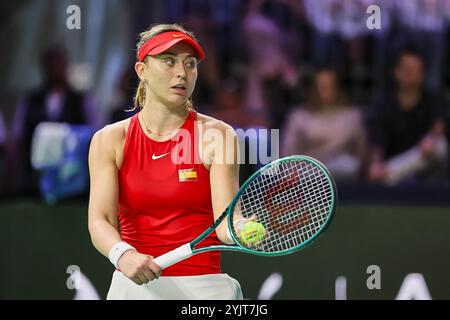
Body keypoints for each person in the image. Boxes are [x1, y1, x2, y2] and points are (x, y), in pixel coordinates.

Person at [88, 23, 255, 300]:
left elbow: (225, 222)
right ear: (142, 71)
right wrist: (123, 254)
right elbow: (100, 220)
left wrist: (241, 228)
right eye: (169, 61)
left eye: (190, 64)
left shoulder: (218, 136)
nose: (182, 73)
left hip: (205, 286)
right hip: (133, 286)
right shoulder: (109, 140)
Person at [367, 48, 448, 185]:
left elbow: (439, 124)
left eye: (415, 70)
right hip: (395, 162)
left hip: (427, 167)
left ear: (422, 74)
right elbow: (377, 141)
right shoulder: (384, 104)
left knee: (439, 146)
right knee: (375, 169)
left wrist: (431, 138)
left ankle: (390, 174)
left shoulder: (434, 99)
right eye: (406, 69)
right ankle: (389, 174)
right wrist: (376, 163)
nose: (409, 74)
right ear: (395, 71)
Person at [281, 68, 367, 182]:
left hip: (344, 173)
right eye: (321, 86)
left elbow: (362, 152)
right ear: (312, 89)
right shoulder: (298, 117)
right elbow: (287, 154)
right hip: (307, 174)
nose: (326, 90)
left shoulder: (352, 116)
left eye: (331, 86)